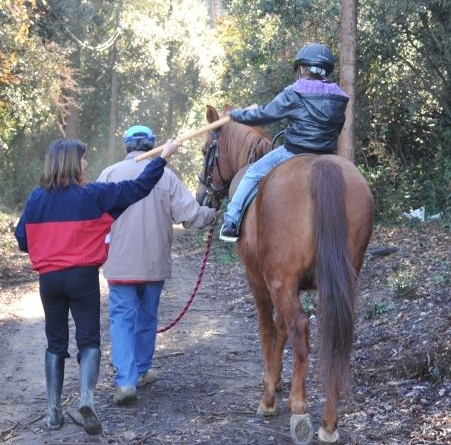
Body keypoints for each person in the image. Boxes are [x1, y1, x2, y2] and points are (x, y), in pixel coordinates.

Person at [14, 137, 180, 434]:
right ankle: (86, 400)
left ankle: (53, 412)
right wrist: (162, 158)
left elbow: (22, 239)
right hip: (82, 277)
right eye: (83, 158)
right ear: (73, 163)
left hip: (49, 280)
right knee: (88, 340)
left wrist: (49, 246)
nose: (86, 163)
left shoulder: (36, 198)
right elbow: (138, 188)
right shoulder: (92, 195)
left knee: (55, 342)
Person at [97, 125, 217, 405]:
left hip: (120, 264)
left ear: (126, 147)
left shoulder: (109, 174)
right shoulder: (166, 176)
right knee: (147, 316)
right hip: (154, 264)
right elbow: (190, 216)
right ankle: (140, 371)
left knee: (122, 319)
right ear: (152, 146)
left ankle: (125, 382)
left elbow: (93, 218)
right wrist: (214, 214)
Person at [219, 43, 349, 242]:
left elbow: (264, 115)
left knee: (252, 174)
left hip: (293, 152)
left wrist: (236, 115)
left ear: (302, 68)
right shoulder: (339, 96)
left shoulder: (295, 91)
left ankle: (231, 221)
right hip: (327, 155)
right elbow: (338, 127)